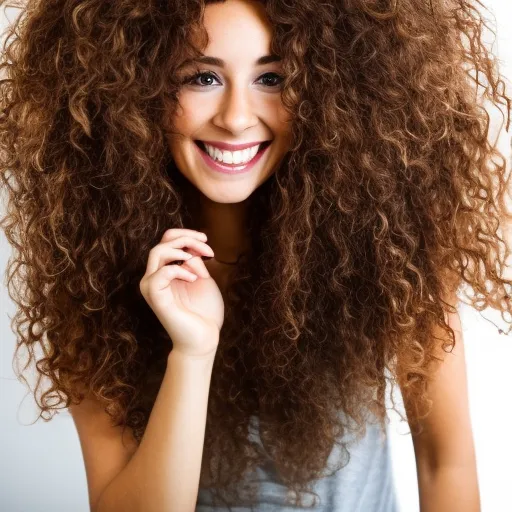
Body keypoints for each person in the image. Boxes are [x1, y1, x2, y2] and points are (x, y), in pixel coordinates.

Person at [0, 0, 510, 510]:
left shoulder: (387, 243)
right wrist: (193, 354)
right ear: (130, 87)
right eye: (201, 78)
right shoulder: (87, 268)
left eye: (273, 79)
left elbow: (446, 463)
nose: (237, 118)